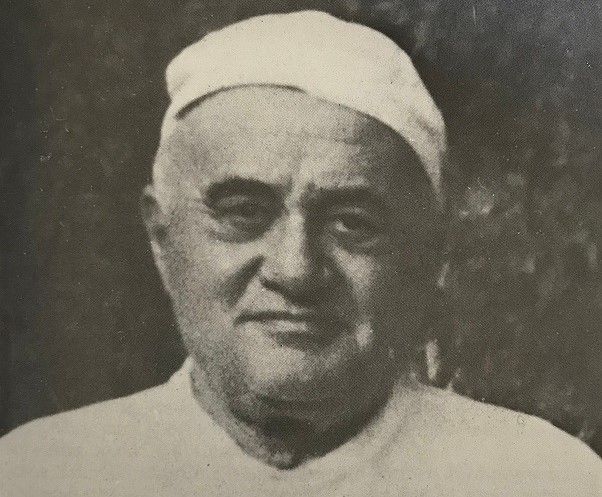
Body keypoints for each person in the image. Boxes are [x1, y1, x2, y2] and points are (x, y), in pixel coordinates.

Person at [1, 10, 599, 497]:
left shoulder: (545, 480)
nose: (295, 270)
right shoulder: (41, 475)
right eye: (243, 213)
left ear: (428, 254)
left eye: (352, 223)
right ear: (163, 237)